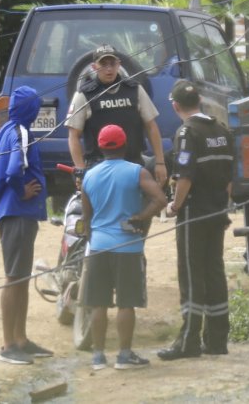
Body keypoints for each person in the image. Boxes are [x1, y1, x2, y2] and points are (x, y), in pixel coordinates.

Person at [80, 124, 168, 370]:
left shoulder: (89, 176)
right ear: (125, 145)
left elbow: (86, 217)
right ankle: (124, 355)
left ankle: (98, 357)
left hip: (99, 246)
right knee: (126, 303)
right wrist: (141, 217)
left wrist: (92, 239)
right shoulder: (137, 172)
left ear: (100, 147)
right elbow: (160, 199)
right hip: (128, 247)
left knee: (98, 303)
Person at [158, 80, 234, 360]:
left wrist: (175, 206)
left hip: (193, 214)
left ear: (175, 106)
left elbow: (185, 176)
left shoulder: (187, 133)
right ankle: (217, 340)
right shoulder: (222, 131)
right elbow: (230, 178)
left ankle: (188, 342)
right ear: (199, 101)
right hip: (217, 211)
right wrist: (222, 204)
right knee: (214, 272)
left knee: (191, 274)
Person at [0, 85, 54, 366]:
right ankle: (8, 345)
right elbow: (15, 169)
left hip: (13, 212)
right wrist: (20, 191)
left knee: (21, 277)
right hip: (18, 212)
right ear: (31, 110)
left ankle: (21, 339)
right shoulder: (21, 132)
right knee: (14, 277)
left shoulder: (4, 131)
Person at [67, 44, 168, 186]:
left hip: (133, 164)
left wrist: (160, 162)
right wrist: (80, 169)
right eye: (103, 64)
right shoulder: (84, 94)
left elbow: (151, 126)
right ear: (94, 66)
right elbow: (73, 135)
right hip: (99, 167)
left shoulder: (135, 89)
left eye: (112, 63)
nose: (109, 69)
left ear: (118, 64)